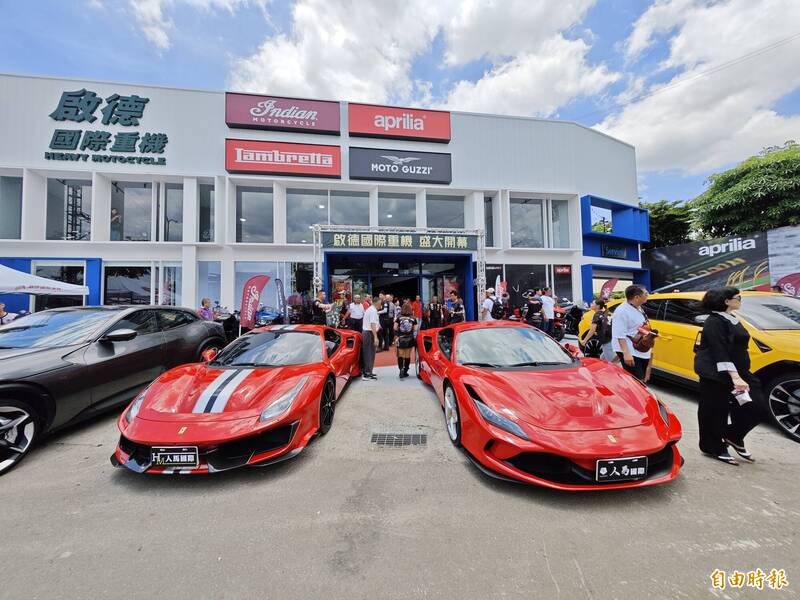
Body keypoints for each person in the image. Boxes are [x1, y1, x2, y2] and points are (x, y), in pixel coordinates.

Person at [694, 287, 761, 465]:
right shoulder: (714, 321)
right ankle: (714, 447)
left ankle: (733, 436)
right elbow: (719, 351)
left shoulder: (732, 318)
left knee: (757, 407)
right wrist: (735, 377)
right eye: (738, 297)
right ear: (727, 301)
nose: (740, 299)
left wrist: (740, 374)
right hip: (716, 375)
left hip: (739, 372)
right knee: (715, 411)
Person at [611, 285, 653, 382]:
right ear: (637, 297)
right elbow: (619, 335)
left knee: (641, 380)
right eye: (646, 294)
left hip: (641, 348)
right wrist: (626, 354)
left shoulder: (638, 307)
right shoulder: (622, 311)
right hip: (630, 350)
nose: (648, 295)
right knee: (635, 381)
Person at [394, 302, 418, 378]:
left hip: (400, 338)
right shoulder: (413, 318)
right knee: (407, 355)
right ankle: (405, 370)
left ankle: (401, 369)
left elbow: (395, 327)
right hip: (410, 338)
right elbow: (415, 329)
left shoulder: (399, 317)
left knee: (400, 355)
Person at [361, 297, 381, 380]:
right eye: (380, 304)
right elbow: (372, 324)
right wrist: (375, 337)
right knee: (369, 353)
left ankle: (369, 372)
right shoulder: (372, 310)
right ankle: (367, 373)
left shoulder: (371, 310)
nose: (381, 305)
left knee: (371, 353)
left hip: (369, 333)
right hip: (369, 333)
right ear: (377, 303)